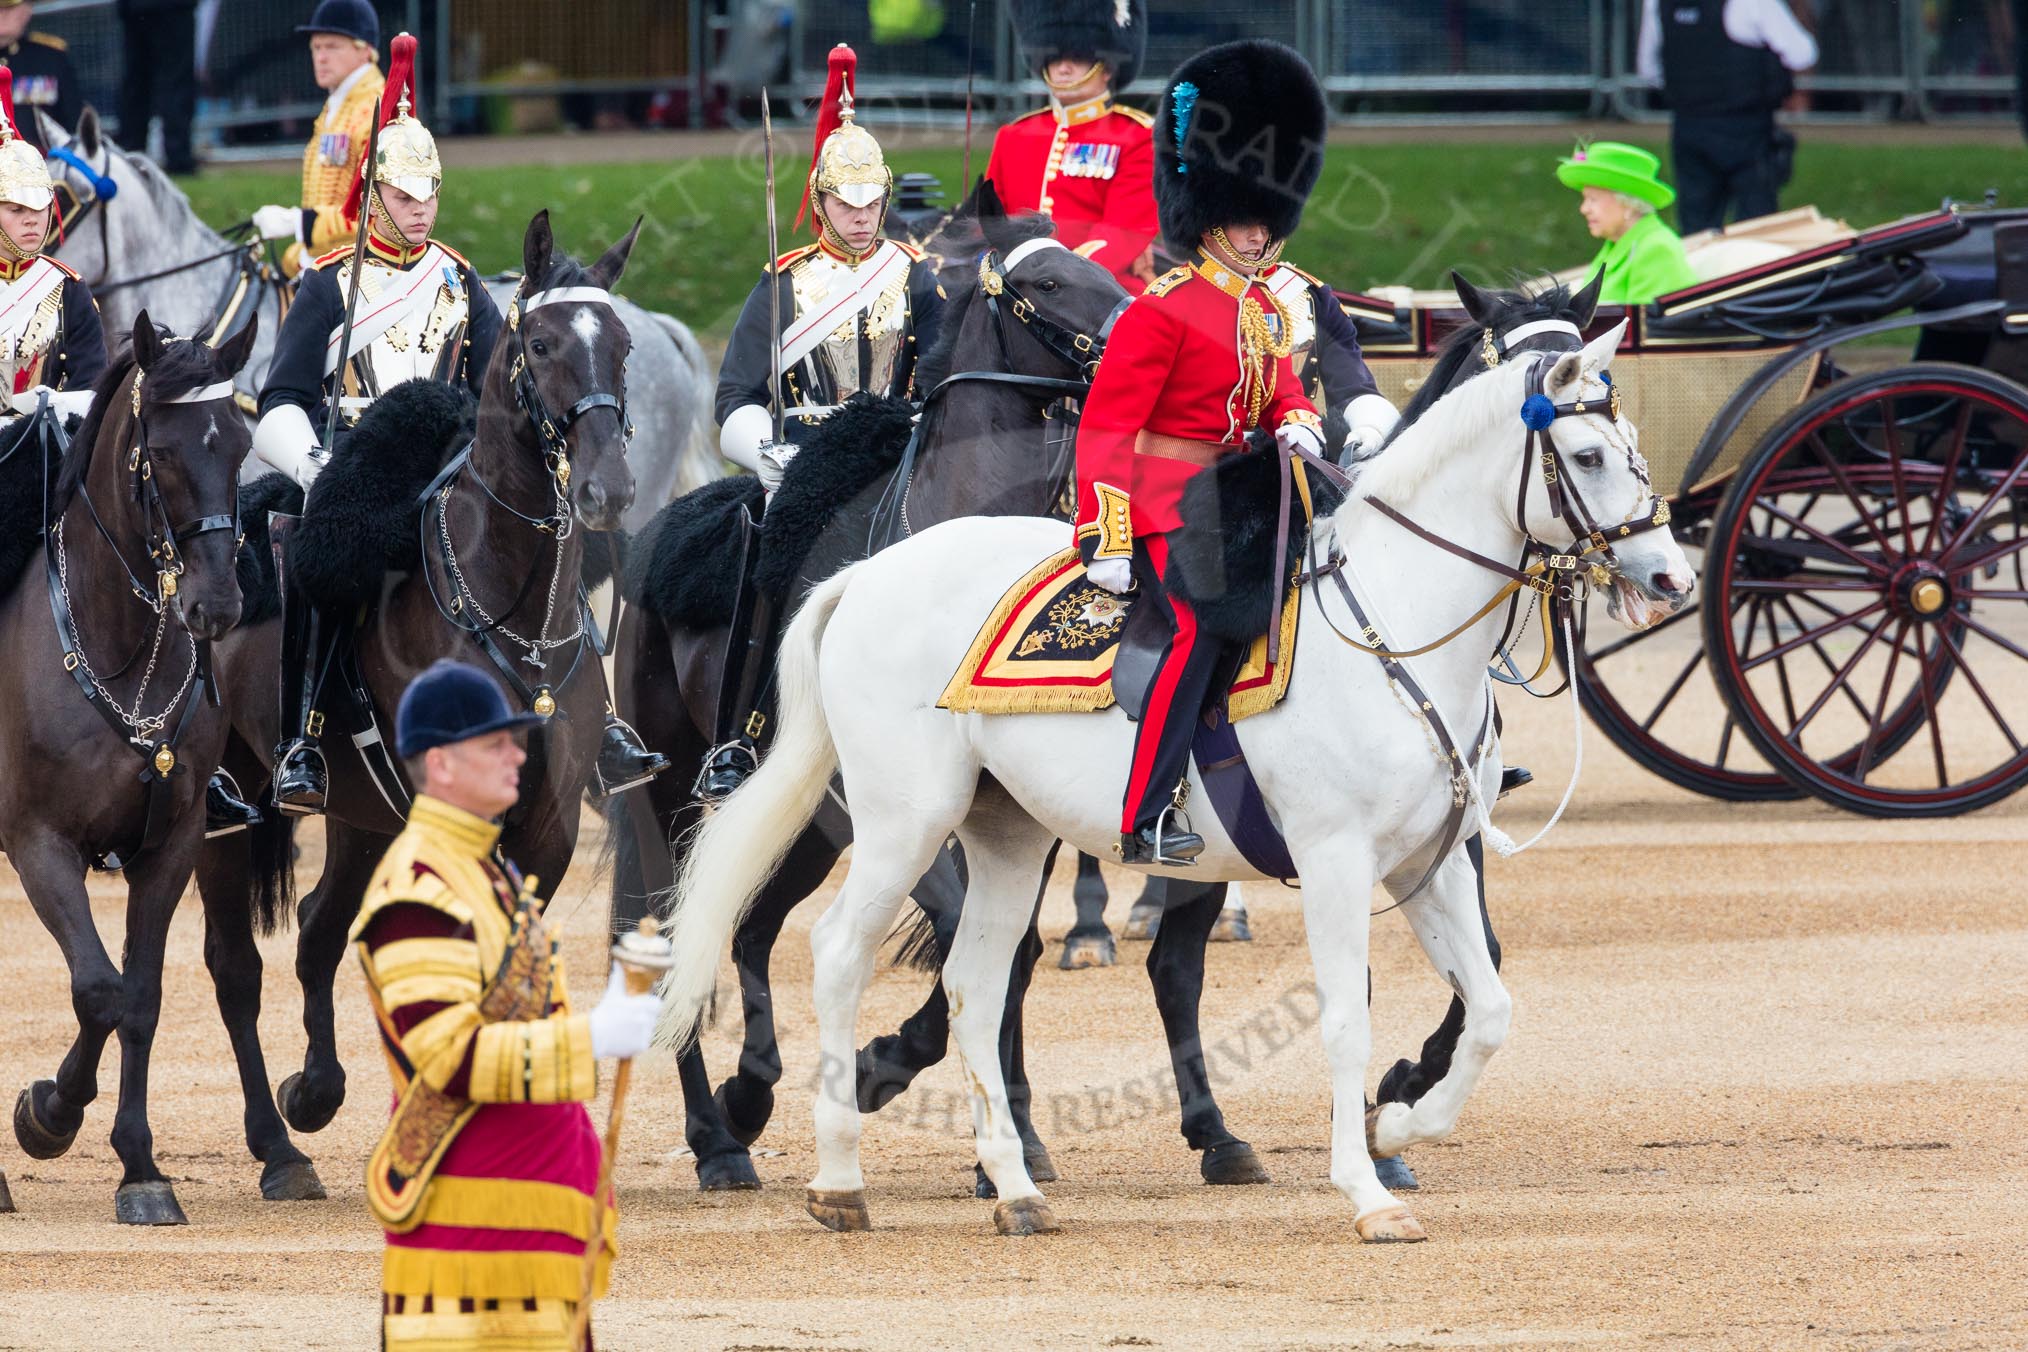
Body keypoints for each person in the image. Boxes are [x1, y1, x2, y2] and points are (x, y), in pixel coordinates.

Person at [255, 34, 662, 814]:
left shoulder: (457, 279)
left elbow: (495, 388)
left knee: (553, 537)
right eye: (406, 196)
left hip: (446, 456)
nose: (420, 209)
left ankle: (603, 722)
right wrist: (315, 467)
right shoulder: (327, 286)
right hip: (354, 462)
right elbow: (279, 400)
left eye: (429, 195)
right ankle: (304, 733)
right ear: (373, 193)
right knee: (322, 551)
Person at [353, 659, 660, 1352]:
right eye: (495, 743)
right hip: (471, 1256)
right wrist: (592, 1038)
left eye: (515, 740)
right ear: (440, 763)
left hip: (522, 1248)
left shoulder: (486, 873)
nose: (518, 755)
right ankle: (302, 740)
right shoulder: (418, 887)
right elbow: (450, 1058)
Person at [1073, 39, 1328, 866]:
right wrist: (1104, 531)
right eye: (1245, 221)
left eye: (1266, 221)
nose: (1258, 237)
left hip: (1249, 492)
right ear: (1210, 215)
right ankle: (1145, 810)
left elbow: (1279, 385)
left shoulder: (1261, 308)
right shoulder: (1161, 309)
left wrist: (1297, 419)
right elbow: (1108, 427)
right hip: (1167, 500)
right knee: (1198, 631)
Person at [696, 43, 944, 802]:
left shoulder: (917, 275)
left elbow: (941, 379)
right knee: (768, 555)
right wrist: (763, 453)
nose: (862, 218)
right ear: (821, 198)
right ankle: (739, 733)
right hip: (803, 459)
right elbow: (733, 395)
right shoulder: (784, 282)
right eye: (846, 203)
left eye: (873, 202)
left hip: (897, 454)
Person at [986, 0, 1158, 294]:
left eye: (1077, 56)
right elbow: (989, 221)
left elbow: (1123, 232)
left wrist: (1055, 277)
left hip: (1098, 290)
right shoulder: (1014, 135)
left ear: (1107, 66)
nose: (1063, 67)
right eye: (1053, 56)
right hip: (1014, 286)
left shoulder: (1137, 137)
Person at [1638, 0, 1817, 234]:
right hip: (1746, 128)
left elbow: (1648, 70)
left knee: (1696, 230)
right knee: (1757, 229)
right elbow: (1802, 53)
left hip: (1689, 126)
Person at [250, 0, 383, 279]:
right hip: (330, 266)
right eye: (316, 47)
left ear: (366, 50)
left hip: (365, 276)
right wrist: (299, 254)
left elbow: (381, 216)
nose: (321, 57)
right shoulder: (337, 105)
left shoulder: (377, 109)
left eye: (332, 46)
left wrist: (299, 223)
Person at [1557, 141, 1698, 305]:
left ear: (1629, 204)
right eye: (1585, 199)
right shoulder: (1616, 244)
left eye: (1593, 200)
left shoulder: (1656, 248)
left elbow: (1646, 325)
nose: (1584, 209)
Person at [116, 0, 197, 175]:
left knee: (136, 83)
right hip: (171, 7)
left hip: (136, 7)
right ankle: (178, 158)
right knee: (175, 82)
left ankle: (130, 157)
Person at [0, 0, 78, 151]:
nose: (2, 14)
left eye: (10, 7)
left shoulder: (50, 56)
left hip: (42, 166)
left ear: (27, 9)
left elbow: (72, 123)